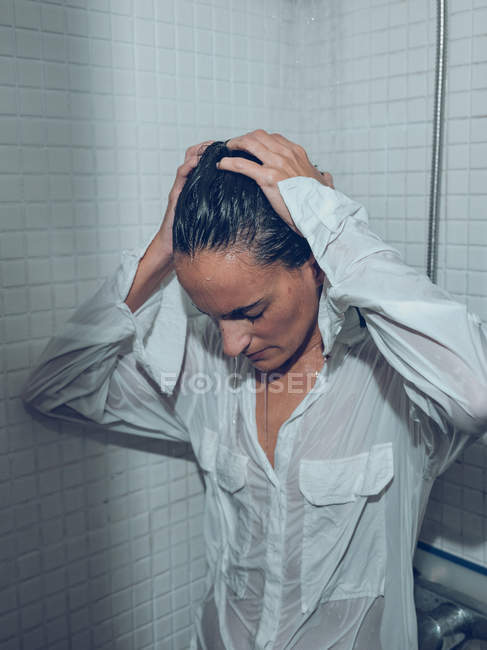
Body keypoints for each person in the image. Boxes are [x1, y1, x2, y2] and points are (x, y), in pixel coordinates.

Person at [23, 130, 487, 649]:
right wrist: (161, 250)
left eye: (250, 312)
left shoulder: (398, 382)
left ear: (313, 265)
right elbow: (54, 387)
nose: (231, 343)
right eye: (211, 316)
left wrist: (329, 223)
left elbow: (477, 393)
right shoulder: (203, 373)